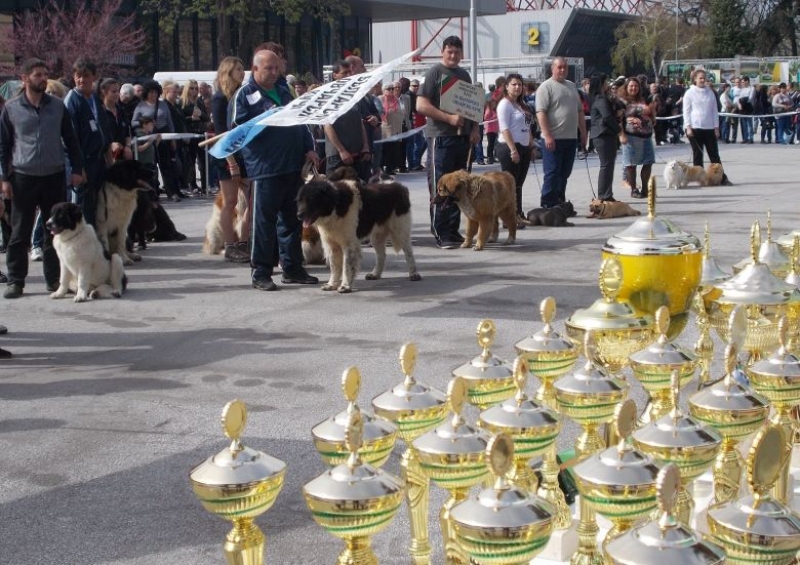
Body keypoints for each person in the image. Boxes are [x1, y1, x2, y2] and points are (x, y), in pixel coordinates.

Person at [230, 48, 320, 291]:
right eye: (268, 68)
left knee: (292, 220)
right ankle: (261, 272)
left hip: (292, 166)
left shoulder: (284, 92)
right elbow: (237, 128)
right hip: (265, 168)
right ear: (255, 69)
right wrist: (264, 118)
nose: (273, 72)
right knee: (263, 223)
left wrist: (309, 148)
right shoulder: (244, 95)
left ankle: (292, 267)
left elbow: (301, 122)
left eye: (276, 68)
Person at [0, 58, 84, 299]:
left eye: (45, 74)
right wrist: (4, 178)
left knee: (53, 232)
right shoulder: (11, 108)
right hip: (23, 177)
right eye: (37, 74)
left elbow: (71, 139)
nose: (43, 78)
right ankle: (16, 281)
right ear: (25, 78)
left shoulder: (57, 106)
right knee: (19, 233)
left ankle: (54, 280)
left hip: (53, 175)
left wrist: (77, 169)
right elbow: (3, 146)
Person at [416, 35, 480, 249]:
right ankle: (441, 232)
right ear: (442, 51)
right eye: (449, 51)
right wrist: (448, 118)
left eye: (457, 52)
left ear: (462, 53)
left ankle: (453, 229)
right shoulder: (434, 73)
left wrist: (474, 129)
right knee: (441, 185)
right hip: (441, 138)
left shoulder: (464, 74)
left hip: (462, 139)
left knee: (460, 186)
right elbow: (421, 105)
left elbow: (472, 106)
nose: (453, 55)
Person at [210, 56, 250, 263]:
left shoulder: (242, 94)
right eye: (238, 69)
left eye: (243, 69)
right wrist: (231, 162)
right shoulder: (220, 98)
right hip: (227, 156)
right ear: (228, 72)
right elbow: (221, 134)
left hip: (245, 155)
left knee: (252, 200)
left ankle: (244, 241)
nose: (242, 73)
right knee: (230, 202)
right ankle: (230, 245)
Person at [535, 57, 587, 208]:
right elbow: (540, 112)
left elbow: (579, 111)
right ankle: (547, 203)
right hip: (553, 138)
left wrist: (583, 133)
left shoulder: (571, 86)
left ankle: (559, 200)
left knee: (565, 172)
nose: (563, 70)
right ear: (552, 68)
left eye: (565, 67)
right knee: (552, 172)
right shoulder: (546, 87)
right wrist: (547, 135)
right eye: (559, 67)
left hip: (570, 138)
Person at [64, 57, 107, 227]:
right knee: (84, 206)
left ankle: (98, 237)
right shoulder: (72, 100)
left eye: (86, 75)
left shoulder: (95, 98)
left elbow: (103, 129)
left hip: (99, 160)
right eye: (78, 76)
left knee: (98, 203)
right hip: (83, 162)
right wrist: (78, 167)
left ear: (94, 77)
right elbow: (70, 138)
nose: (82, 80)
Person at [132, 81, 184, 201]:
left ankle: (171, 192)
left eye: (155, 92)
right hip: (149, 137)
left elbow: (169, 121)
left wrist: (172, 138)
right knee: (152, 166)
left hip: (163, 137)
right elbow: (133, 122)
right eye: (151, 92)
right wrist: (146, 123)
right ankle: (153, 192)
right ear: (146, 93)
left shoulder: (163, 105)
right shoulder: (140, 106)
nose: (153, 95)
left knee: (166, 165)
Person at [323, 60, 371, 181]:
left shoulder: (353, 95)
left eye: (349, 72)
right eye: (344, 73)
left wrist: (365, 146)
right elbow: (327, 126)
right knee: (335, 190)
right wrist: (341, 150)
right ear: (335, 75)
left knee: (361, 189)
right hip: (338, 157)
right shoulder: (328, 95)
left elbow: (359, 122)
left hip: (358, 154)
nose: (348, 76)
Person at [683, 69, 732, 186]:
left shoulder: (710, 92)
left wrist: (716, 127)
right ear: (695, 79)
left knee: (714, 155)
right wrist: (688, 127)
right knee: (698, 155)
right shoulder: (689, 93)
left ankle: (722, 178)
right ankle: (700, 179)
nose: (702, 80)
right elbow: (686, 111)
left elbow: (714, 111)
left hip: (709, 128)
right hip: (695, 128)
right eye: (700, 78)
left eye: (704, 78)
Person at [496, 73, 533, 222]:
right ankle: (508, 217)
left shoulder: (521, 105)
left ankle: (518, 213)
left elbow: (527, 126)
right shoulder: (504, 104)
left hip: (524, 146)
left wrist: (531, 144)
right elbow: (504, 128)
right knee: (509, 185)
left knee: (518, 184)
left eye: (520, 84)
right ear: (507, 86)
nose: (517, 87)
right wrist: (513, 149)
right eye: (514, 84)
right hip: (509, 147)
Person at [618, 77, 655, 199]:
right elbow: (618, 119)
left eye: (636, 86)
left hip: (646, 136)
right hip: (630, 137)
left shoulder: (643, 100)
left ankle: (645, 189)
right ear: (626, 88)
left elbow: (651, 115)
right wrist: (621, 135)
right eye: (631, 86)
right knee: (631, 165)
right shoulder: (622, 102)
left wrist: (652, 113)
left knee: (648, 162)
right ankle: (633, 189)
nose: (634, 88)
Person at [589, 73, 621, 203]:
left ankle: (606, 193)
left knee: (607, 164)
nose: (608, 84)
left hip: (603, 134)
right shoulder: (601, 99)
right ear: (601, 84)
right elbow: (607, 117)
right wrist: (618, 130)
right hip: (603, 134)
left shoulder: (598, 98)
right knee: (607, 165)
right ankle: (604, 195)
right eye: (606, 82)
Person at [179, 80, 210, 193]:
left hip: (200, 133)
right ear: (187, 89)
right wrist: (191, 118)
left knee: (203, 162)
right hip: (189, 134)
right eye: (191, 88)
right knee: (190, 161)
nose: (194, 90)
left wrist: (201, 114)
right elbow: (180, 119)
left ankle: (205, 186)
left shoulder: (199, 101)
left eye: (196, 88)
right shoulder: (182, 102)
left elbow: (206, 118)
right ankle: (193, 185)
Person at [98, 78, 132, 162]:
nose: (117, 94)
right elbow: (97, 136)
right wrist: (110, 145)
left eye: (118, 91)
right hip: (105, 159)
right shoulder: (99, 112)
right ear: (104, 92)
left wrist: (128, 147)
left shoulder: (121, 111)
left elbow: (127, 133)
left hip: (122, 157)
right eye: (113, 92)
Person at [380, 82, 406, 175]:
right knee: (384, 150)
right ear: (384, 90)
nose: (391, 90)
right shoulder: (380, 99)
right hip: (385, 129)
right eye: (389, 89)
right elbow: (379, 112)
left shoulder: (396, 100)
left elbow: (403, 111)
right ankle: (380, 168)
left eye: (392, 88)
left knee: (393, 150)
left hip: (396, 129)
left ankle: (390, 168)